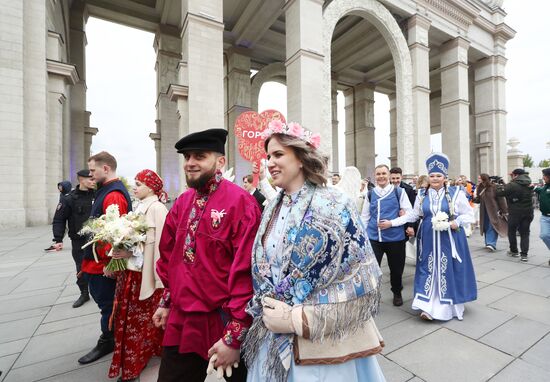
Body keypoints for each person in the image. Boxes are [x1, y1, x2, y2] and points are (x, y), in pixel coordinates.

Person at [244, 121, 385, 382]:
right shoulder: (272, 206)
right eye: (268, 156)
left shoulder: (334, 202)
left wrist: (297, 319)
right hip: (271, 329)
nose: (270, 163)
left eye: (278, 155)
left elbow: (358, 273)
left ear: (300, 158)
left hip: (320, 341)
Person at [154, 128, 261, 382]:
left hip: (224, 320)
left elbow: (248, 271)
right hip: (183, 319)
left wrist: (235, 335)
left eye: (199, 156)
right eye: (187, 157)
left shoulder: (241, 203)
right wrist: (167, 300)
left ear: (220, 161)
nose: (190, 163)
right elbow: (170, 258)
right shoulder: (182, 202)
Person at [108, 169, 168, 382]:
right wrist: (117, 256)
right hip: (131, 273)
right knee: (133, 319)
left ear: (151, 187)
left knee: (139, 320)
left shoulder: (158, 208)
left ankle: (135, 363)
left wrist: (129, 253)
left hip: (145, 275)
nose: (134, 187)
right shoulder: (139, 206)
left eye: (139, 183)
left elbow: (161, 246)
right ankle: (148, 352)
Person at [78, 151, 133, 365]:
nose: (90, 175)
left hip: (103, 266)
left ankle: (109, 340)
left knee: (108, 306)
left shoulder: (113, 195)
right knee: (107, 304)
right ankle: (112, 338)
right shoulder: (106, 190)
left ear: (106, 168)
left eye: (93, 170)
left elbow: (115, 233)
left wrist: (111, 262)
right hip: (95, 262)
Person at [409, 153, 477, 321]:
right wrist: (393, 223)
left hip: (450, 238)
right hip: (427, 238)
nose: (435, 179)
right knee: (428, 268)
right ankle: (426, 307)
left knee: (447, 270)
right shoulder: (421, 195)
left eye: (438, 176)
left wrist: (457, 222)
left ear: (445, 177)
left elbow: (470, 216)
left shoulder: (456, 193)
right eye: (432, 176)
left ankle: (445, 307)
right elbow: (414, 214)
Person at [361, 164, 415, 306]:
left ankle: (397, 292)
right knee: (372, 269)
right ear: (375, 176)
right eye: (378, 174)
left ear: (389, 175)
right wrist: (363, 236)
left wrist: (392, 223)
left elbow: (410, 214)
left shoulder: (399, 192)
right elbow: (365, 217)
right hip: (374, 238)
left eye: (384, 173)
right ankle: (372, 296)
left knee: (396, 270)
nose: (381, 176)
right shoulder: (370, 193)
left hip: (395, 238)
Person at [49, 169, 95, 308]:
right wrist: (58, 239)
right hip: (79, 240)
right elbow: (59, 219)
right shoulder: (69, 198)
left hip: (97, 239)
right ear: (81, 180)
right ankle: (84, 293)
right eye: (90, 179)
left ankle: (102, 291)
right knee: (81, 266)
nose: (94, 181)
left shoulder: (98, 195)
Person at [496, 168, 534, 262]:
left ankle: (514, 251)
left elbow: (499, 192)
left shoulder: (513, 184)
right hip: (528, 211)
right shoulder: (529, 183)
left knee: (511, 231)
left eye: (512, 175)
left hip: (515, 212)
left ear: (516, 175)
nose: (511, 177)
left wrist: (498, 184)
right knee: (525, 233)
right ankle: (524, 255)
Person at [476, 174, 508, 252]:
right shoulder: (480, 187)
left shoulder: (494, 187)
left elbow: (501, 199)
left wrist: (504, 211)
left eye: (480, 178)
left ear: (485, 179)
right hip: (484, 211)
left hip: (493, 210)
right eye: (478, 178)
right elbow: (479, 198)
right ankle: (488, 243)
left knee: (492, 225)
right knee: (486, 226)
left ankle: (491, 244)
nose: (479, 180)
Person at [45, 180, 73, 252]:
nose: (59, 188)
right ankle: (58, 242)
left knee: (66, 228)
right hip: (64, 215)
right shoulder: (62, 194)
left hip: (70, 217)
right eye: (59, 186)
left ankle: (58, 242)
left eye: (61, 186)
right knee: (63, 228)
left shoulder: (69, 195)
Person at [534, 168, 550, 263]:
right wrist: (533, 187)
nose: (543, 178)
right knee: (544, 235)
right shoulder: (545, 187)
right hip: (545, 217)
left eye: (544, 176)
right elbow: (541, 190)